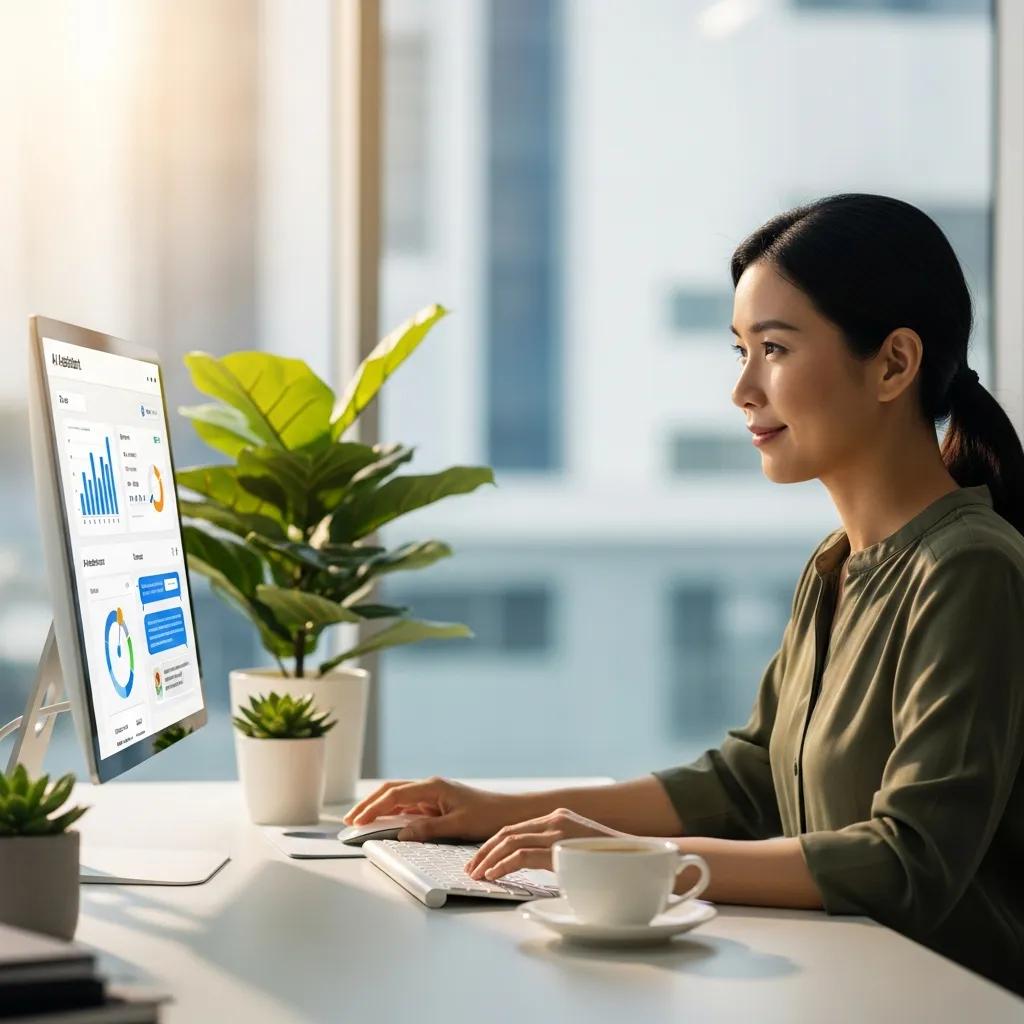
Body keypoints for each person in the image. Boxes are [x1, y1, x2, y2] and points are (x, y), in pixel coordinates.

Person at [345, 194, 1024, 997]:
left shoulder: (970, 568)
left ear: (893, 364)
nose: (742, 388)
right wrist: (493, 808)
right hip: (843, 989)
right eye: (739, 349)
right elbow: (743, 783)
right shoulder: (837, 563)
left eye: (773, 348)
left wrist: (631, 864)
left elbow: (909, 861)